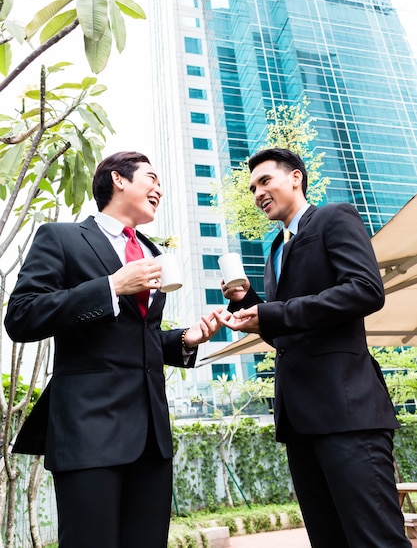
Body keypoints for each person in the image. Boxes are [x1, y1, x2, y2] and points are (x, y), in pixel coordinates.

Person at [5, 151, 223, 548]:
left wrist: (183, 341)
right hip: (89, 430)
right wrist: (111, 286)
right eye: (151, 178)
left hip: (152, 436)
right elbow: (21, 317)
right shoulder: (61, 237)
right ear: (118, 179)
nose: (159, 188)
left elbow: (137, 339)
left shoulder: (154, 253)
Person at [216, 148, 410, 547]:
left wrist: (272, 313)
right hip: (299, 419)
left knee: (376, 540)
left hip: (347, 412)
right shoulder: (274, 251)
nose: (257, 193)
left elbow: (365, 290)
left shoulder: (334, 217)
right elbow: (288, 335)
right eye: (252, 187)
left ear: (296, 178)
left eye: (265, 181)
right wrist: (248, 304)